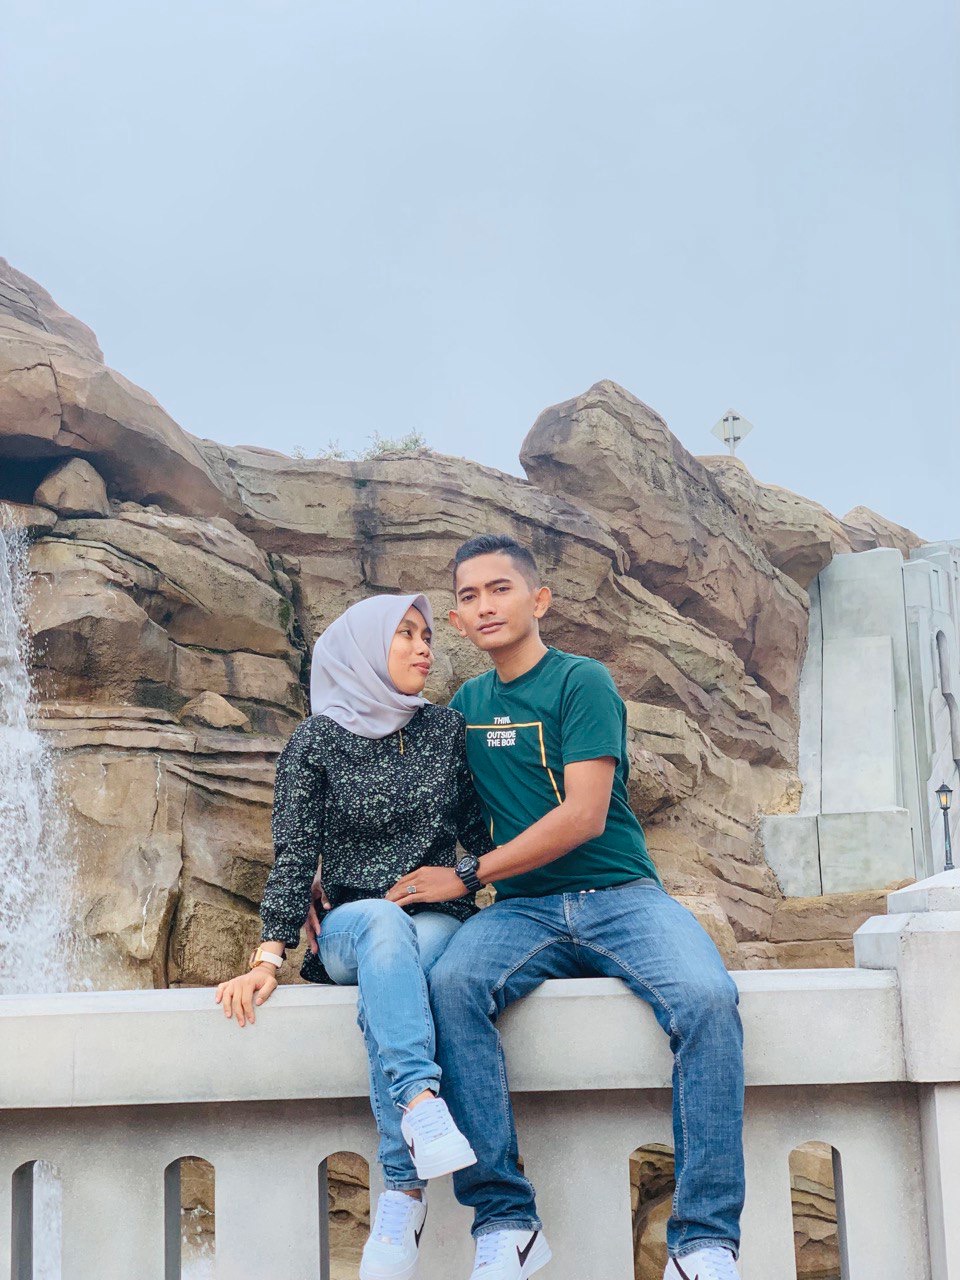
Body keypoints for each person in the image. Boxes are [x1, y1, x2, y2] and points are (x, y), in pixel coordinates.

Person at [385, 535, 744, 1280]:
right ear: (458, 620)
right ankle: (506, 1222)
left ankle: (703, 1242)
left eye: (500, 589)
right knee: (451, 987)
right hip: (522, 911)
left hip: (621, 896)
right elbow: (407, 798)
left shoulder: (583, 682)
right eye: (469, 596)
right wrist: (326, 883)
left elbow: (584, 815)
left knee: (708, 999)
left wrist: (467, 875)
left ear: (539, 599)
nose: (485, 606)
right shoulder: (465, 707)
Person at [215, 592, 495, 1280]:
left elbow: (481, 836)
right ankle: (421, 1101)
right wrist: (268, 957)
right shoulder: (317, 740)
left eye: (427, 636)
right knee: (380, 925)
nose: (423, 648)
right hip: (349, 925)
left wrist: (471, 881)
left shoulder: (445, 730)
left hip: (436, 921)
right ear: (365, 649)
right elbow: (293, 855)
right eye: (405, 634)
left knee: (393, 974)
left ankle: (402, 1191)